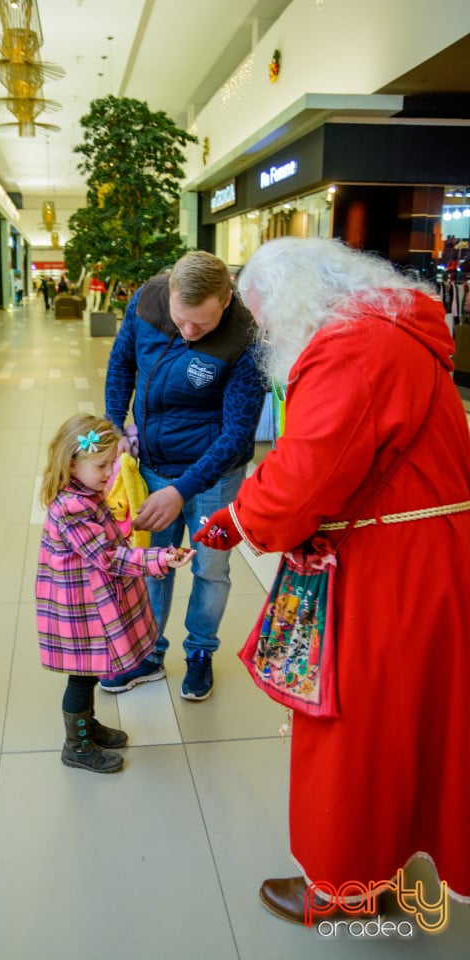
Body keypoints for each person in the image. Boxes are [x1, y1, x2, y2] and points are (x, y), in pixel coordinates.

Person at [194, 237, 470, 922]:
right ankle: (395, 855)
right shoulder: (391, 331)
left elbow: (301, 481)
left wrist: (236, 517)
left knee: (353, 730)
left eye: (264, 318)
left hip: (389, 573)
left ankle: (346, 885)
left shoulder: (349, 348)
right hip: (427, 554)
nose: (263, 335)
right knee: (418, 722)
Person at [100, 250, 264, 701]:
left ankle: (200, 652)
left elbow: (236, 435)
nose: (190, 332)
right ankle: (149, 653)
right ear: (169, 292)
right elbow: (121, 366)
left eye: (203, 325)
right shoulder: (147, 301)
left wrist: (182, 489)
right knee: (152, 566)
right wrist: (115, 428)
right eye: (182, 320)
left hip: (215, 479)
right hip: (150, 464)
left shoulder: (247, 338)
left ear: (226, 299)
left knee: (211, 568)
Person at [36, 413, 193, 774]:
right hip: (80, 608)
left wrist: (129, 524)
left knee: (89, 671)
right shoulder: (74, 506)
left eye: (113, 463)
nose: (111, 473)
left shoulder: (86, 493)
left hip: (89, 600)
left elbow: (105, 538)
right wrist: (162, 557)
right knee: (81, 675)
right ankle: (75, 745)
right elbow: (108, 556)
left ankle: (87, 727)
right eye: (102, 465)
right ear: (72, 463)